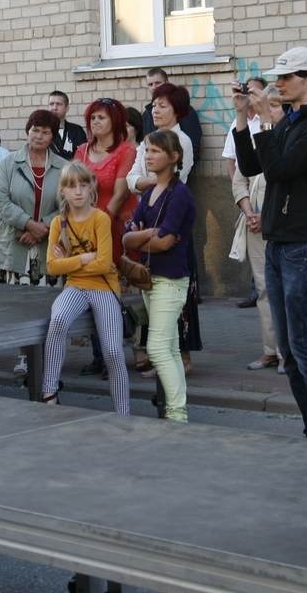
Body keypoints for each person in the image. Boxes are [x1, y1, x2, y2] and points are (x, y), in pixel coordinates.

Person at [234, 46, 307, 442]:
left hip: (302, 244)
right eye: (276, 77)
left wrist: (266, 121)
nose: (277, 83)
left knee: (304, 343)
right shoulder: (288, 121)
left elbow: (280, 167)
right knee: (288, 346)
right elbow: (252, 166)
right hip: (278, 242)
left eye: (286, 77)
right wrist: (242, 117)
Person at [40, 162, 133, 415]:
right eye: (72, 186)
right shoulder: (59, 224)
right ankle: (49, 391)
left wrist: (68, 263)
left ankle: (122, 411)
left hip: (104, 288)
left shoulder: (100, 218)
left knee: (113, 351)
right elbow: (51, 267)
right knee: (57, 319)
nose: (78, 191)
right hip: (75, 287)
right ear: (62, 191)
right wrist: (82, 259)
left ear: (92, 187)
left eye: (83, 185)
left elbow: (104, 264)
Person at [124, 130, 197, 423]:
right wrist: (146, 235)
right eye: (147, 150)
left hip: (171, 279)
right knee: (169, 347)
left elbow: (166, 243)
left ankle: (177, 414)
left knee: (156, 347)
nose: (148, 156)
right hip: (150, 278)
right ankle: (177, 410)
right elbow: (127, 239)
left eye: (155, 151)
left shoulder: (179, 194)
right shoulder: (150, 191)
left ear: (173, 157)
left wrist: (141, 238)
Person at [128, 84, 200, 371]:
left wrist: (150, 183)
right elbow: (130, 180)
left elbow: (175, 181)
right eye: (153, 105)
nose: (155, 110)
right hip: (147, 216)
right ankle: (161, 355)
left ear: (177, 111)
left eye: (163, 106)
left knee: (177, 296)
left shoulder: (182, 140)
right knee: (151, 291)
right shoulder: (147, 140)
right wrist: (151, 183)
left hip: (171, 222)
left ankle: (181, 356)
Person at [0, 111, 67, 378]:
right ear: (28, 130)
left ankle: (49, 355)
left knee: (48, 305)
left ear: (52, 136)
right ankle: (24, 357)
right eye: (35, 130)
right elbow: (0, 202)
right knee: (19, 306)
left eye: (46, 132)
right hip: (15, 243)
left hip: (48, 246)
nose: (39, 136)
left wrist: (42, 228)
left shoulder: (62, 167)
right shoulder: (8, 163)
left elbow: (67, 206)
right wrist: (27, 223)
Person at [74, 97, 138, 378]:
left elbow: (121, 192)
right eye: (92, 118)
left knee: (112, 294)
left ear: (115, 121)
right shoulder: (82, 151)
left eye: (101, 117)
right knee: (90, 289)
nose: (95, 122)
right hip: (83, 229)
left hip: (114, 228)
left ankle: (117, 357)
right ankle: (99, 356)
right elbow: (71, 185)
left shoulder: (126, 151)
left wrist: (99, 224)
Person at [231, 106, 282, 372]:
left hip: (283, 227)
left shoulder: (290, 139)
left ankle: (288, 353)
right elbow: (239, 181)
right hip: (255, 228)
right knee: (264, 289)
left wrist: (267, 215)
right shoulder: (254, 141)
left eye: (274, 106)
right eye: (266, 107)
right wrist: (250, 212)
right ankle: (270, 351)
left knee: (286, 290)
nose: (268, 112)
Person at [223, 76, 269, 310]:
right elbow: (234, 162)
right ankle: (256, 290)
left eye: (255, 91)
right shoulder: (236, 123)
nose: (250, 95)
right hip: (249, 192)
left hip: (269, 196)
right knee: (254, 247)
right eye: (247, 90)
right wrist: (242, 198)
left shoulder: (270, 120)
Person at [144, 68, 203, 163]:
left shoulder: (185, 111)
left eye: (157, 83)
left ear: (167, 83)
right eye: (150, 84)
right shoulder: (147, 113)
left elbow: (194, 148)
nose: (154, 87)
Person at [47, 91, 88, 161]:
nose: (54, 108)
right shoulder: (43, 131)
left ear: (67, 108)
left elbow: (84, 155)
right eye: (51, 104)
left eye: (58, 104)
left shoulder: (77, 130)